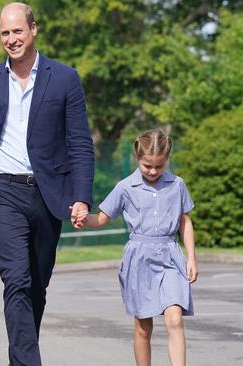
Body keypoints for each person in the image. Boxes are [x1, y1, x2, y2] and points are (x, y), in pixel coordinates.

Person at [0, 2, 94, 365]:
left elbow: (80, 143)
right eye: (5, 32)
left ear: (34, 30)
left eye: (17, 31)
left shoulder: (64, 78)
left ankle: (20, 357)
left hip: (48, 195)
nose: (11, 39)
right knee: (15, 280)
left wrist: (81, 197)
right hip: (1, 191)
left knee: (36, 286)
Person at [79, 128, 197, 366]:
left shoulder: (177, 184)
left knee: (174, 319)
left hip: (170, 257)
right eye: (147, 166)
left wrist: (191, 258)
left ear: (167, 160)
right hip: (139, 259)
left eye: (159, 166)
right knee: (143, 326)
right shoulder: (125, 187)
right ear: (137, 158)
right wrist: (82, 219)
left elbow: (185, 221)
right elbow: (102, 218)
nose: (153, 171)